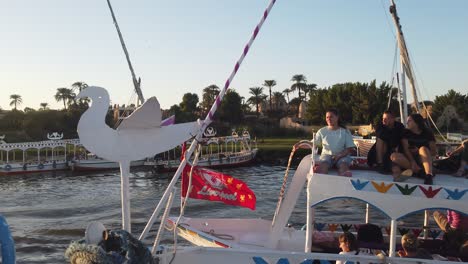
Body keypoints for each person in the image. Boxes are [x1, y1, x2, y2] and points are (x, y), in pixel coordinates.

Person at [390, 114, 436, 184]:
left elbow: (433, 152)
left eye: (409, 121)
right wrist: (412, 162)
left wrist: (418, 151)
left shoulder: (428, 133)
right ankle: (420, 172)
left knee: (423, 149)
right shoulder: (405, 132)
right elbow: (406, 149)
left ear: (416, 122)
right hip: (408, 158)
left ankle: (428, 175)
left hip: (423, 159)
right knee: (394, 156)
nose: (407, 123)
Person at [313, 108, 356, 177]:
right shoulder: (322, 131)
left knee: (343, 164)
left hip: (343, 156)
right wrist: (300, 144)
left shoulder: (345, 131)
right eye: (327, 117)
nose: (329, 119)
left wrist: (339, 156)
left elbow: (349, 148)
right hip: (326, 155)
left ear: (337, 118)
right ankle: (319, 178)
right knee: (324, 164)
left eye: (331, 117)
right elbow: (313, 143)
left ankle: (344, 178)